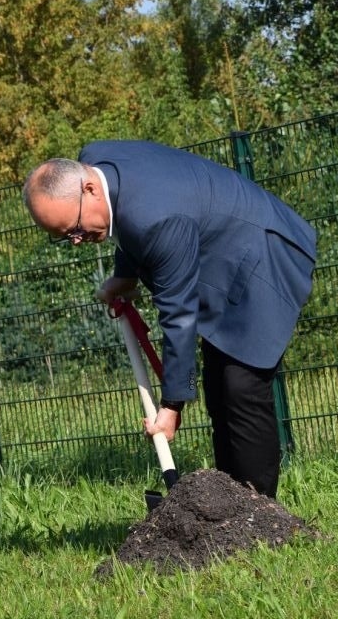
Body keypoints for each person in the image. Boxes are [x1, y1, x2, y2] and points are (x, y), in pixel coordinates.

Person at [22, 141, 317, 498]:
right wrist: (125, 276)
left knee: (241, 386)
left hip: (263, 254)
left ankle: (261, 514)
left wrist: (172, 405)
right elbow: (125, 219)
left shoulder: (157, 219)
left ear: (88, 188)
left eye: (75, 228)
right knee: (219, 388)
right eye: (64, 236)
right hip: (221, 254)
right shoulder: (93, 162)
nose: (76, 241)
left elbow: (178, 314)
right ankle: (232, 504)